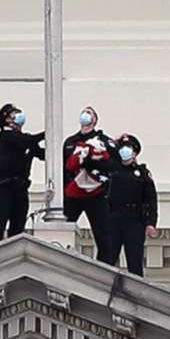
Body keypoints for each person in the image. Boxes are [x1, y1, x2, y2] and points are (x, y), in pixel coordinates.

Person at [97, 132, 158, 275]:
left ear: (135, 152)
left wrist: (151, 223)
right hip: (113, 219)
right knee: (107, 259)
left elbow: (151, 200)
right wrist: (116, 140)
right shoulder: (112, 169)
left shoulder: (142, 173)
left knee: (134, 261)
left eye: (129, 148)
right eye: (122, 147)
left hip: (134, 221)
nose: (125, 151)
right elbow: (104, 146)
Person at [0, 102, 46, 243]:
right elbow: (26, 141)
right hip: (4, 187)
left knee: (18, 226)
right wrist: (47, 133)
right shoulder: (6, 135)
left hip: (20, 188)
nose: (19, 115)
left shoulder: (24, 139)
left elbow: (40, 153)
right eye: (15, 113)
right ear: (7, 119)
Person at [62, 105, 114, 252]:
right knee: (64, 228)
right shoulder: (71, 142)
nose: (85, 115)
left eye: (89, 113)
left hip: (96, 194)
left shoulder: (103, 141)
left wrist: (91, 162)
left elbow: (111, 165)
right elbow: (64, 166)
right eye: (84, 112)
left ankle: (105, 267)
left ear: (95, 120)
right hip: (73, 193)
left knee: (103, 234)